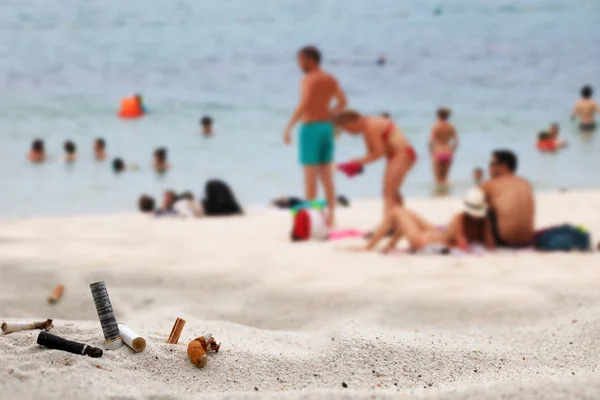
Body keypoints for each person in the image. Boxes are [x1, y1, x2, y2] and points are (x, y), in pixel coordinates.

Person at [282, 45, 347, 227]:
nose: (299, 64)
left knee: (310, 176)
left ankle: (313, 218)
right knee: (327, 175)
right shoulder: (330, 78)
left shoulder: (308, 78)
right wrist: (329, 114)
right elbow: (343, 102)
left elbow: (304, 104)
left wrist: (288, 127)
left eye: (300, 60)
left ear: (310, 60)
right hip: (326, 128)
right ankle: (331, 216)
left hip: (310, 128)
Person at [333, 110, 417, 217]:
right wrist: (355, 164)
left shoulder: (370, 126)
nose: (348, 132)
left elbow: (379, 152)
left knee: (388, 192)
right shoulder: (367, 128)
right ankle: (400, 221)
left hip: (402, 154)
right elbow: (372, 154)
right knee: (393, 192)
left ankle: (389, 223)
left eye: (347, 128)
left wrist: (358, 162)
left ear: (352, 122)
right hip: (397, 155)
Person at [356, 188, 494, 253]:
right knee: (405, 214)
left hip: (424, 241)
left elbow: (461, 245)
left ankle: (367, 248)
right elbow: (490, 246)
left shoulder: (460, 218)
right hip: (435, 234)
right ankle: (390, 245)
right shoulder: (484, 221)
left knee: (397, 211)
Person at [480, 150, 535, 247]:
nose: (489, 168)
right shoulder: (525, 183)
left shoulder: (490, 184)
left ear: (504, 166)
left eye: (492, 164)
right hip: (527, 240)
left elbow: (471, 207)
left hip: (504, 240)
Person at [429, 108, 458, 187]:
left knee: (437, 179)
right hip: (448, 152)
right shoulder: (451, 127)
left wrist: (431, 152)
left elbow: (431, 142)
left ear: (438, 116)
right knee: (445, 178)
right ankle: (446, 195)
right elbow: (456, 142)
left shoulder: (436, 126)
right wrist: (452, 150)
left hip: (438, 152)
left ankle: (438, 195)